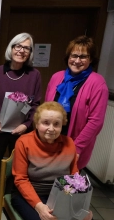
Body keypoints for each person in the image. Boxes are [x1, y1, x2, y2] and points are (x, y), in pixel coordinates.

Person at [11, 101, 92, 220]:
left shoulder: (69, 143)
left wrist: (78, 205)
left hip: (60, 195)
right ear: (37, 124)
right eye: (46, 123)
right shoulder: (23, 142)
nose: (51, 128)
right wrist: (39, 207)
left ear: (62, 125)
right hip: (29, 195)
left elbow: (74, 177)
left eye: (56, 124)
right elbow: (21, 179)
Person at [45, 35, 109, 170]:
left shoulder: (97, 83)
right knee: (44, 180)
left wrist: (77, 147)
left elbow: (96, 121)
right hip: (50, 140)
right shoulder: (56, 77)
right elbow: (46, 109)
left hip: (73, 144)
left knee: (64, 186)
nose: (77, 60)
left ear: (91, 59)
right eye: (74, 55)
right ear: (68, 57)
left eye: (83, 57)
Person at [0, 32, 41, 174]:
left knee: (18, 168)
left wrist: (26, 125)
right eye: (18, 46)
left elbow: (35, 104)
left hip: (22, 131)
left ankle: (11, 194)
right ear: (11, 48)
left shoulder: (34, 75)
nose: (21, 50)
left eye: (26, 48)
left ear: (30, 52)